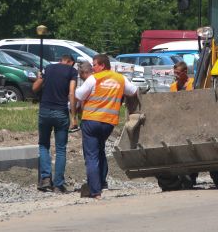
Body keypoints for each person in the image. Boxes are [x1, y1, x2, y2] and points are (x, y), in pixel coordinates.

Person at [75, 54, 138, 199]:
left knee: (91, 156)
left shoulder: (94, 78)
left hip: (91, 120)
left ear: (102, 65)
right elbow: (134, 92)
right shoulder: (120, 78)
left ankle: (95, 191)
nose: (92, 68)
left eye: (94, 65)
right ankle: (102, 182)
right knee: (100, 150)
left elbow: (79, 95)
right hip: (108, 123)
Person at [31, 54, 78, 193]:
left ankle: (45, 179)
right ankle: (58, 184)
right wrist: (74, 116)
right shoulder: (71, 71)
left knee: (44, 145)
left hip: (44, 111)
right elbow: (71, 93)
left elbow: (35, 88)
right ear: (70, 62)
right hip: (61, 112)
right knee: (60, 149)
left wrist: (40, 77)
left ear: (60, 60)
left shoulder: (48, 68)